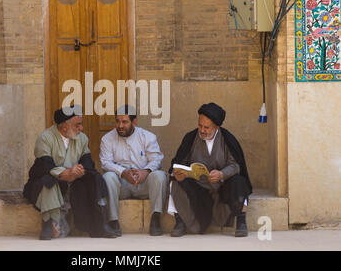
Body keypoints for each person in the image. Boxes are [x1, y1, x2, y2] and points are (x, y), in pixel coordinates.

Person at [23, 105, 118, 240]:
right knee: (48, 182)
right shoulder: (45, 138)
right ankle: (48, 224)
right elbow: (44, 164)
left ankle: (100, 225)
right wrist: (64, 173)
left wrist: (78, 171)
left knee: (95, 178)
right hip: (51, 178)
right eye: (77, 125)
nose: (81, 128)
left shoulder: (82, 138)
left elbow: (87, 162)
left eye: (81, 124)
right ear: (65, 127)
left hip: (74, 180)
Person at [167, 102, 252, 237]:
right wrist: (179, 174)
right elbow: (178, 163)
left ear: (216, 127)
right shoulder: (191, 138)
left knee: (239, 181)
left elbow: (236, 165)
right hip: (198, 188)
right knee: (174, 183)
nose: (202, 130)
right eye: (200, 125)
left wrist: (221, 174)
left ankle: (241, 221)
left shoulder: (227, 139)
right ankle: (180, 221)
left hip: (221, 188)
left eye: (206, 127)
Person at [100, 105, 167, 236]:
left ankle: (156, 219)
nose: (120, 125)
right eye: (117, 121)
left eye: (124, 122)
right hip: (122, 185)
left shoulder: (148, 137)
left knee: (159, 175)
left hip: (143, 184)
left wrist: (145, 172)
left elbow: (156, 159)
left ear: (134, 122)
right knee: (108, 177)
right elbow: (105, 162)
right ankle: (113, 221)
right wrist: (123, 172)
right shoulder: (107, 139)